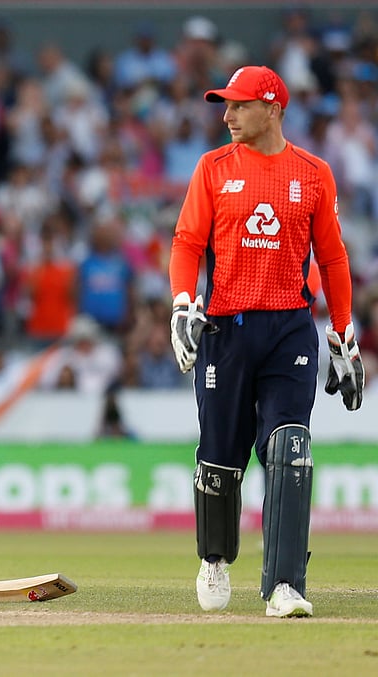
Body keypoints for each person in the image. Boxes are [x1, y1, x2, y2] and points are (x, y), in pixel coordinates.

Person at [169, 66, 364, 618]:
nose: (228, 116)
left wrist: (343, 332)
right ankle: (214, 558)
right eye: (226, 106)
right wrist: (182, 304)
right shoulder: (213, 167)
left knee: (290, 446)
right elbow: (187, 243)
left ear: (273, 109)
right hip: (225, 329)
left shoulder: (314, 173)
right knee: (220, 455)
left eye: (239, 105)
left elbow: (332, 258)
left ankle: (285, 584)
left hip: (290, 328)